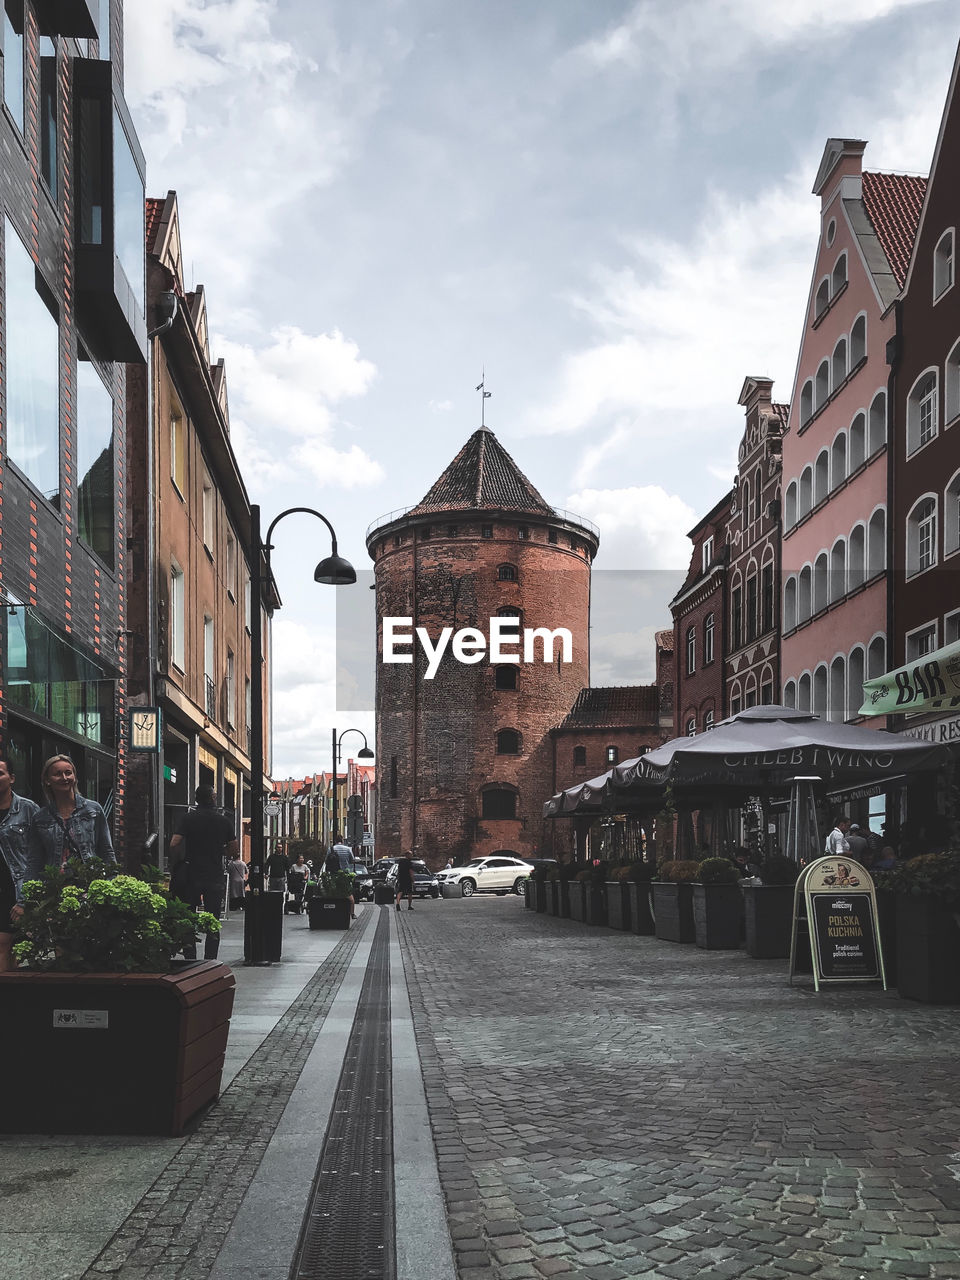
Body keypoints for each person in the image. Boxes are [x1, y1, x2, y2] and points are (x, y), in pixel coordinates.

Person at [169, 785, 237, 960]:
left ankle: (190, 956)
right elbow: (233, 848)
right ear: (213, 798)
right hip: (214, 874)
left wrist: (177, 862)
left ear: (197, 799)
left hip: (191, 873)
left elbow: (175, 843)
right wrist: (221, 854)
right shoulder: (223, 821)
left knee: (188, 917)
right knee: (213, 919)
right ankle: (210, 959)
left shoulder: (188, 818)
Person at [29, 754, 116, 873]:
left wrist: (112, 880)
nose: (64, 777)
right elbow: (35, 860)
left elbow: (106, 851)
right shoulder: (40, 818)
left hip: (89, 882)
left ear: (74, 777)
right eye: (57, 774)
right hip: (55, 885)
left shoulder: (93, 810)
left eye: (68, 773)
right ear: (47, 780)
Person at [0, 753, 40, 973]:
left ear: (12, 778)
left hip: (16, 889)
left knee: (10, 945)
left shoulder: (28, 809)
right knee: (7, 946)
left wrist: (26, 900)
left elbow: (38, 857)